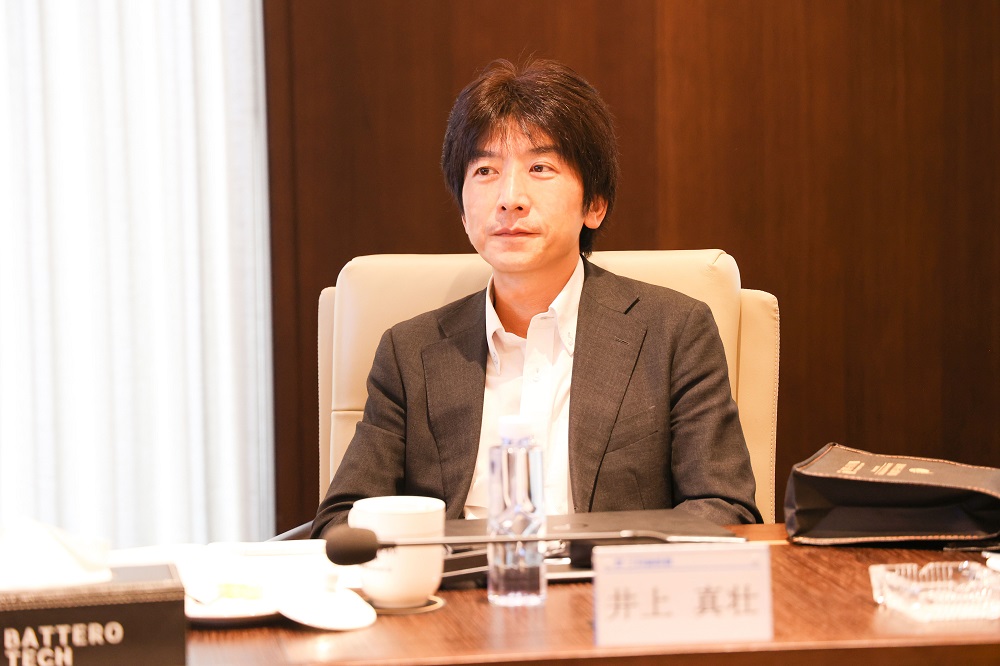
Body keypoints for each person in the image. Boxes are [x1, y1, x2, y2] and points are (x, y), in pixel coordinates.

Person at [311, 59, 760, 538]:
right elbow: (341, 522)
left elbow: (724, 507)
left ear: (594, 204)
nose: (510, 198)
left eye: (540, 167)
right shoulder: (409, 354)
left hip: (609, 578)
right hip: (455, 581)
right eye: (485, 170)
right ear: (463, 212)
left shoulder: (673, 332)